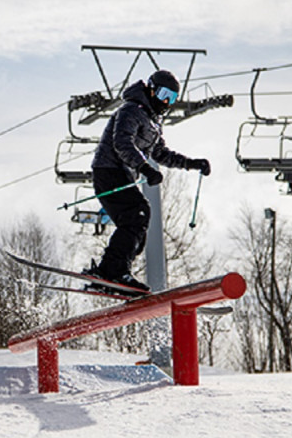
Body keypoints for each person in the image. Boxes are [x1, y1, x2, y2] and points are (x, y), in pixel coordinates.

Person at [84, 69, 211, 291]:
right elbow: (122, 143)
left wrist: (192, 163)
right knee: (137, 213)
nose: (166, 102)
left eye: (172, 98)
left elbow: (161, 154)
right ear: (151, 89)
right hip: (109, 170)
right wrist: (143, 168)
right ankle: (113, 271)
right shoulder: (131, 110)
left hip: (120, 174)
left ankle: (113, 272)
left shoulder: (153, 121)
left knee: (138, 222)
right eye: (163, 94)